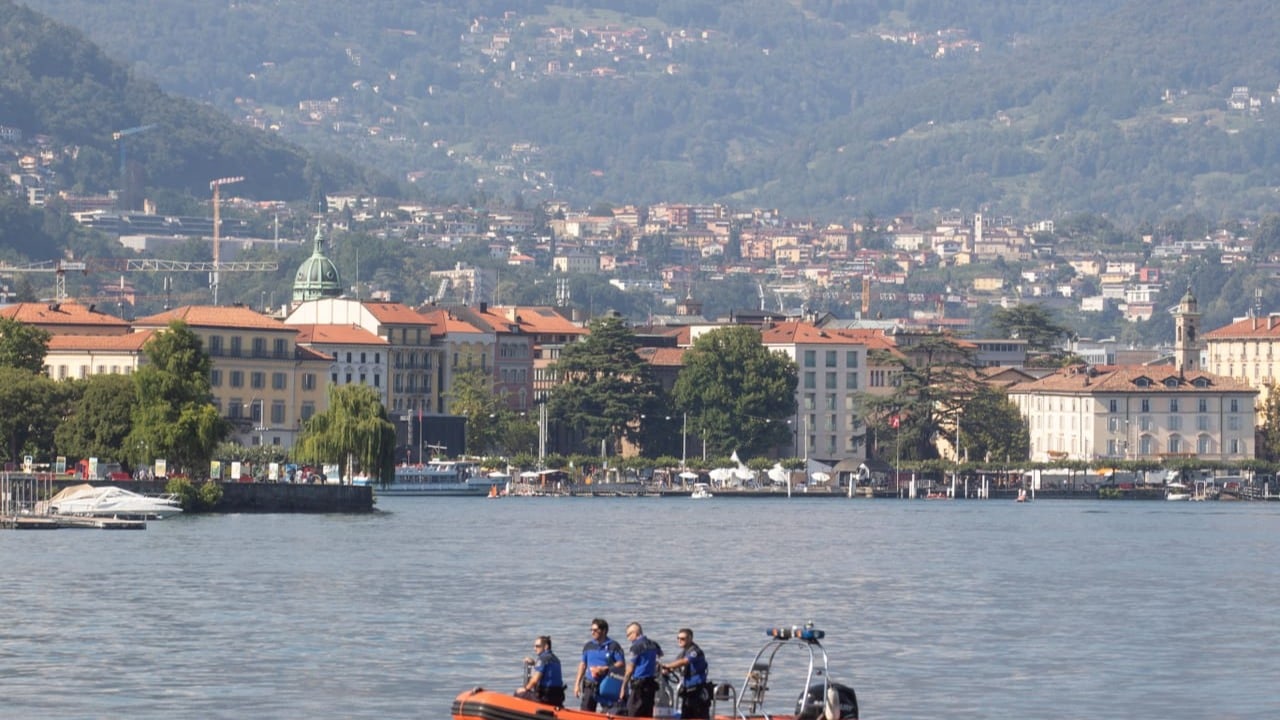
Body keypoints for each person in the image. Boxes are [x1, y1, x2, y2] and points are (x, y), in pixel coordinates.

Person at [575, 618, 625, 711]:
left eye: (595, 630)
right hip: (590, 684)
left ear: (604, 631)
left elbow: (621, 663)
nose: (592, 633)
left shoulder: (613, 645)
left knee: (609, 711)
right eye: (591, 630)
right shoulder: (588, 646)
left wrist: (605, 668)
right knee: (586, 711)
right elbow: (583, 664)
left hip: (606, 684)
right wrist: (577, 684)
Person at [661, 628, 712, 720]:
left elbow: (684, 661)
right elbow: (676, 664)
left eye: (683, 639)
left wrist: (667, 666)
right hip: (687, 692)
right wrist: (665, 670)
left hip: (698, 691)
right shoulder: (682, 653)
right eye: (678, 638)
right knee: (685, 715)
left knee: (699, 715)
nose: (680, 641)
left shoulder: (695, 652)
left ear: (690, 639)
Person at [619, 622, 663, 717]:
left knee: (632, 711)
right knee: (647, 713)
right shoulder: (653, 644)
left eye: (628, 635)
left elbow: (630, 669)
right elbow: (660, 655)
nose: (628, 638)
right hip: (651, 683)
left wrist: (623, 687)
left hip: (639, 684)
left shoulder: (636, 646)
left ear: (635, 633)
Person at [516, 635, 565, 707]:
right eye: (534, 646)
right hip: (557, 697)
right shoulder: (556, 659)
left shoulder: (542, 658)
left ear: (546, 647)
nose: (535, 649)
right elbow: (546, 670)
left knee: (518, 693)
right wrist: (534, 663)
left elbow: (535, 680)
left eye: (537, 646)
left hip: (545, 697)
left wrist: (525, 689)